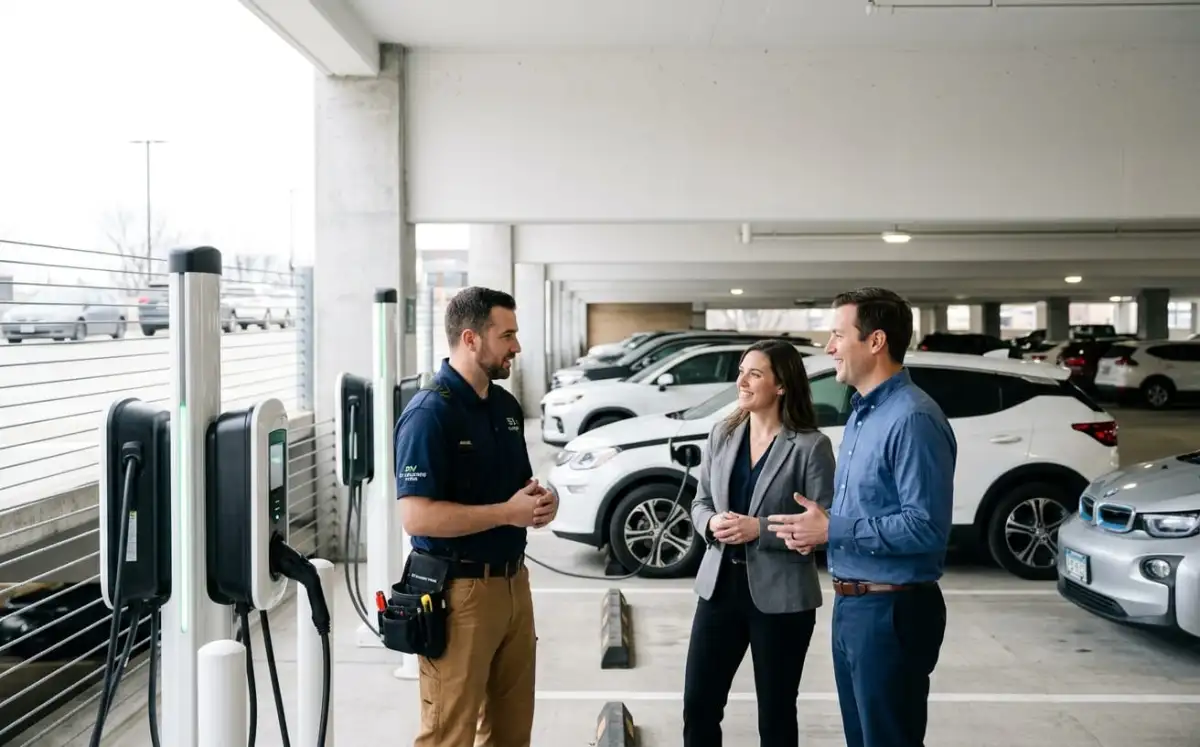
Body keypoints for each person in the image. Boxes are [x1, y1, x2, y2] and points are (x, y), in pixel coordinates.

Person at [766, 287, 956, 747]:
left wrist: (833, 528)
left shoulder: (912, 418)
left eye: (838, 335)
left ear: (875, 341)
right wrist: (820, 528)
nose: (829, 347)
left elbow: (926, 527)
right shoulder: (862, 413)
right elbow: (869, 509)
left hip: (892, 612)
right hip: (854, 606)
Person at [393, 286, 559, 747]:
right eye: (507, 335)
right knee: (450, 733)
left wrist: (540, 503)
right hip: (459, 593)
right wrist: (507, 513)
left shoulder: (505, 407)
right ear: (470, 338)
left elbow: (518, 491)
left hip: (513, 585)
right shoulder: (429, 414)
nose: (517, 346)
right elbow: (417, 517)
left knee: (511, 732)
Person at [683, 339, 837, 747]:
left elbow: (823, 526)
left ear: (781, 385)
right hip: (719, 590)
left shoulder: (811, 446)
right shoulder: (722, 433)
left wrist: (760, 529)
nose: (742, 382)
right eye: (741, 372)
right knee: (698, 705)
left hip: (783, 599)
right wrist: (711, 522)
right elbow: (699, 502)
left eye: (754, 374)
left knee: (776, 714)